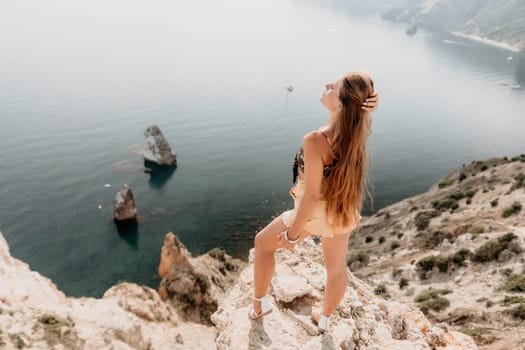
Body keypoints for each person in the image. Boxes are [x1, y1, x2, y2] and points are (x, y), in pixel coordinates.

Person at [249, 71, 379, 332]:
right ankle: (325, 318)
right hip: (342, 209)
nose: (326, 85)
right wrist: (370, 98)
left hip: (314, 212)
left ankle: (259, 305)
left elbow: (311, 195)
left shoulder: (316, 140)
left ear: (342, 103)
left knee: (262, 243)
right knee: (336, 268)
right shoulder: (358, 128)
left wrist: (294, 234)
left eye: (333, 87)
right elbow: (359, 105)